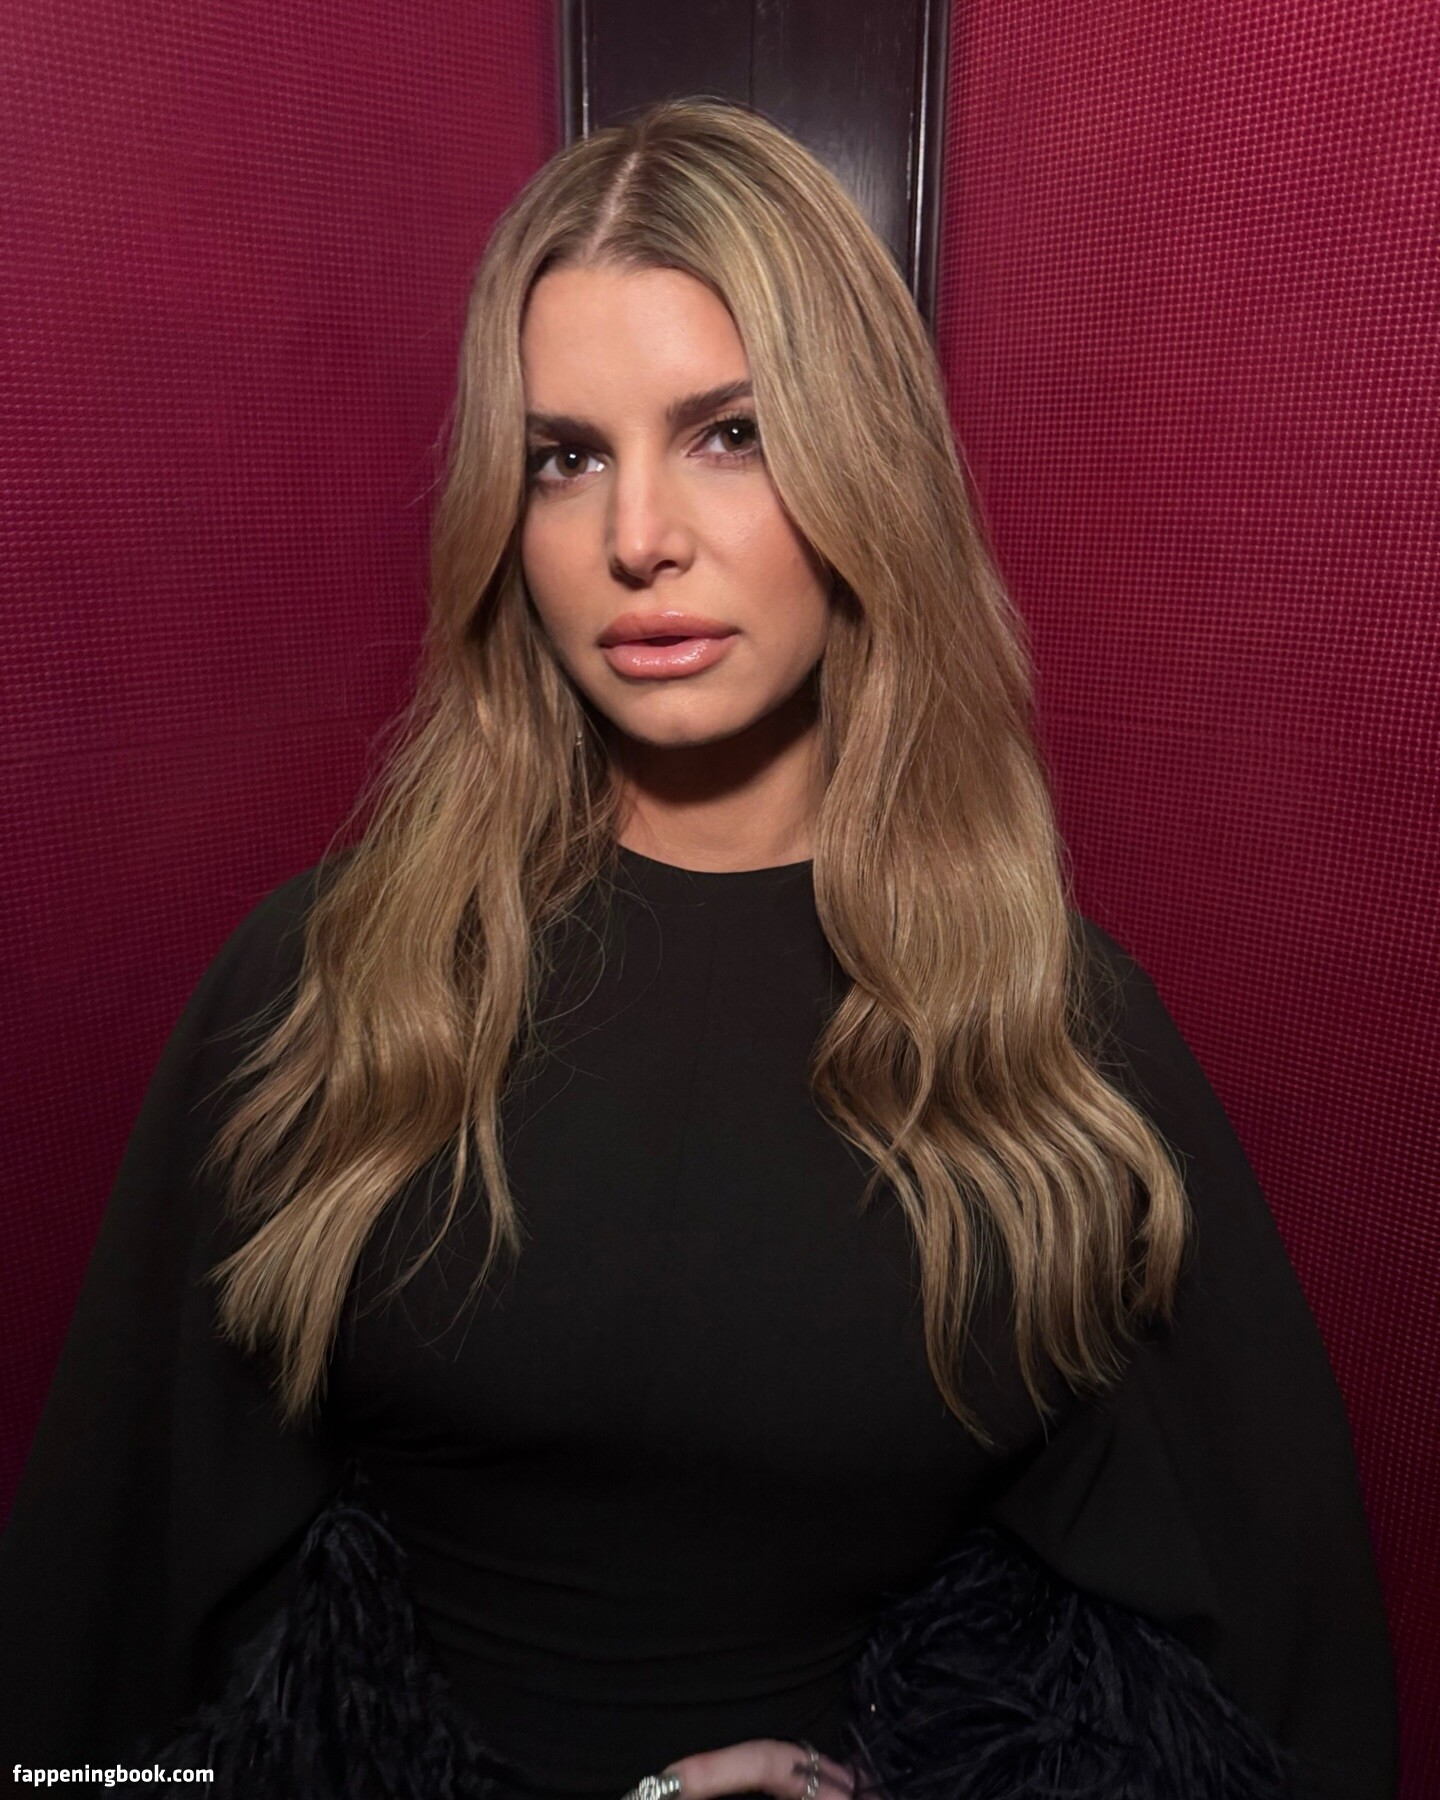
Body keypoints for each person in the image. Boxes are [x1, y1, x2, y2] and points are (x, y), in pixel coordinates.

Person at [0, 97, 1397, 1800]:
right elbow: (85, 1677)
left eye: (729, 433)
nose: (636, 537)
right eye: (564, 457)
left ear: (862, 469)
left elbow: (1285, 1689)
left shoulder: (1052, 1032)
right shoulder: (326, 986)